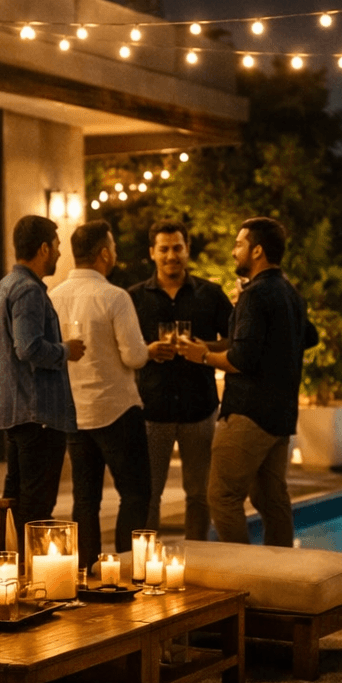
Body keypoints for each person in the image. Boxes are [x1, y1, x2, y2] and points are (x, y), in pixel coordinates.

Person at [178, 217, 317, 548]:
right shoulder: (289, 292)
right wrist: (208, 346)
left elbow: (241, 360)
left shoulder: (255, 296)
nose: (232, 251)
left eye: (238, 245)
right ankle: (280, 575)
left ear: (257, 251)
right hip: (280, 415)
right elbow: (305, 337)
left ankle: (244, 572)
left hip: (248, 413)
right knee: (271, 500)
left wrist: (201, 356)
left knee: (222, 497)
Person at [47, 221, 152, 569]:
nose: (116, 254)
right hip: (118, 410)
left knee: (85, 500)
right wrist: (150, 350)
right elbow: (134, 356)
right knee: (135, 495)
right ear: (104, 253)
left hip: (75, 412)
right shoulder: (115, 297)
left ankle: (85, 572)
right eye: (114, 247)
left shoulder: (53, 297)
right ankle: (127, 570)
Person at [129, 219, 234, 538]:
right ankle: (146, 566)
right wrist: (148, 350)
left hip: (199, 408)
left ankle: (195, 562)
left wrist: (204, 348)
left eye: (177, 248)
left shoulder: (210, 294)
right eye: (164, 249)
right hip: (152, 409)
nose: (171, 255)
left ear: (187, 250)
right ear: (152, 253)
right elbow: (123, 348)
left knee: (199, 496)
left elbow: (235, 340)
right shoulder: (134, 297)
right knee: (149, 496)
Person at [0, 215, 83, 547]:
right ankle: (34, 582)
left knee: (15, 498)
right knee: (37, 505)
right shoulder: (28, 291)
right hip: (37, 412)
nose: (58, 253)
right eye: (56, 246)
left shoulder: (2, 288)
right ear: (44, 248)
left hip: (15, 413)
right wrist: (65, 350)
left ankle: (8, 572)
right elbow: (28, 347)